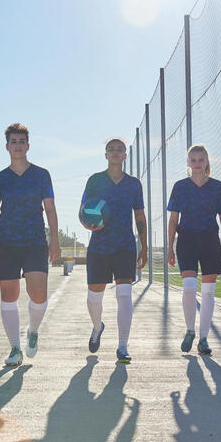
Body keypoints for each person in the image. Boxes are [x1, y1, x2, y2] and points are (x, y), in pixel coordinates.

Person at [0, 123, 60, 366]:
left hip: (35, 240)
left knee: (38, 294)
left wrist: (54, 239)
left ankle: (32, 331)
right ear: (7, 146)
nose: (17, 145)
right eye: (13, 141)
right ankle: (14, 348)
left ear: (28, 145)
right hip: (6, 242)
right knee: (9, 295)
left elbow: (50, 208)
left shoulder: (41, 174)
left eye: (21, 141)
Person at [80, 137, 147, 364]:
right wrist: (88, 224)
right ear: (106, 155)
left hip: (124, 245)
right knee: (93, 297)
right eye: (112, 150)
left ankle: (122, 346)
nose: (116, 153)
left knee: (124, 294)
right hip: (99, 245)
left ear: (125, 156)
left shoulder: (133, 184)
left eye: (120, 150)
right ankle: (97, 326)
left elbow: (139, 216)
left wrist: (144, 246)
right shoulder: (95, 181)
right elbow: (83, 211)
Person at [166, 144, 221, 355]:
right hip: (186, 240)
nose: (197, 164)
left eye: (200, 160)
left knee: (208, 293)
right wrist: (169, 246)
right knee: (188, 287)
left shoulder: (217, 187)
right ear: (188, 162)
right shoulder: (180, 187)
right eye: (193, 160)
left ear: (206, 162)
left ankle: (203, 338)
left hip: (210, 241)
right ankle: (189, 331)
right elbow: (173, 219)